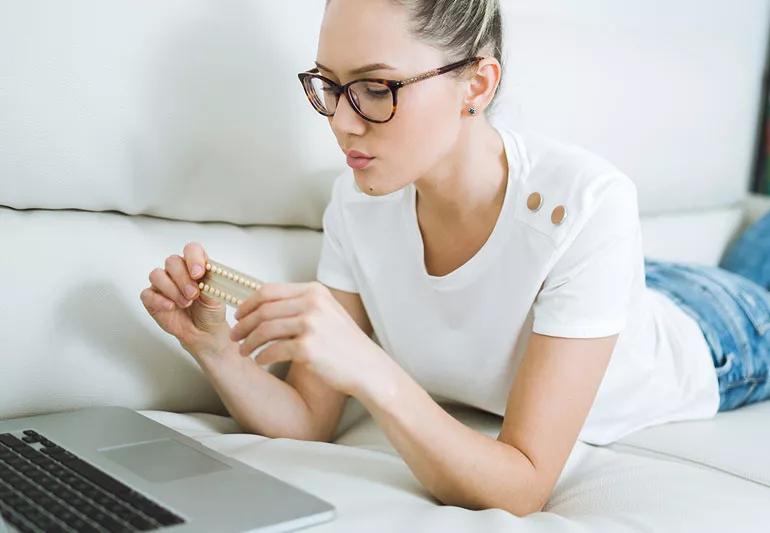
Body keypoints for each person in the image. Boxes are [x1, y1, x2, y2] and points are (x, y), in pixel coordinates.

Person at [139, 0, 770, 518]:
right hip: (602, 290)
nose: (340, 121)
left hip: (711, 332)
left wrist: (372, 367)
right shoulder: (358, 204)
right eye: (329, 86)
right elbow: (308, 420)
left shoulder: (589, 202)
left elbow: (522, 486)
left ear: (477, 83)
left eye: (376, 88)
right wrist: (215, 349)